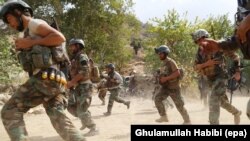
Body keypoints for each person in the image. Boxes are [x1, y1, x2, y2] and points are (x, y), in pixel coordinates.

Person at [0, 1, 86, 141]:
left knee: (10, 111)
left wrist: (30, 43)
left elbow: (59, 37)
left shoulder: (33, 24)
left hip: (46, 79)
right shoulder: (27, 31)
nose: (10, 25)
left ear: (18, 12)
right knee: (58, 117)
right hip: (55, 80)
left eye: (9, 19)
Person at [191, 29, 242, 125]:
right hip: (209, 79)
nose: (199, 43)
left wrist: (237, 72)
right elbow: (195, 67)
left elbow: (235, 57)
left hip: (221, 77)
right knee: (222, 102)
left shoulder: (217, 46)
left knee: (213, 100)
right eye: (197, 41)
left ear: (206, 37)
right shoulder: (199, 52)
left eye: (201, 39)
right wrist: (207, 63)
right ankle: (236, 112)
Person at [67, 38, 98, 136]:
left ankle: (93, 128)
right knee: (71, 107)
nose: (70, 48)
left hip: (85, 86)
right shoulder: (74, 58)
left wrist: (72, 82)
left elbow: (84, 71)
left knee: (82, 109)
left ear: (78, 46)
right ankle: (85, 121)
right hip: (78, 87)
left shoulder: (82, 56)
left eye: (72, 46)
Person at [154, 45, 191, 124]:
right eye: (159, 54)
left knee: (179, 106)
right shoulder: (163, 64)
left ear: (165, 53)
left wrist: (166, 79)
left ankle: (187, 121)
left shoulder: (171, 62)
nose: (159, 55)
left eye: (161, 54)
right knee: (157, 99)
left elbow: (177, 73)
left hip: (174, 87)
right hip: (166, 88)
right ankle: (164, 116)